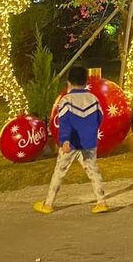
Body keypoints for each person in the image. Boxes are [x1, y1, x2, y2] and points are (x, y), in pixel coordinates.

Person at [33, 65, 109, 215]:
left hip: (72, 143)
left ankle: (48, 204)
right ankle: (101, 202)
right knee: (93, 171)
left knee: (60, 171)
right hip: (89, 143)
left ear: (69, 82)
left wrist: (65, 140)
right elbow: (100, 118)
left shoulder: (66, 100)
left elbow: (65, 122)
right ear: (86, 81)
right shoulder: (93, 99)